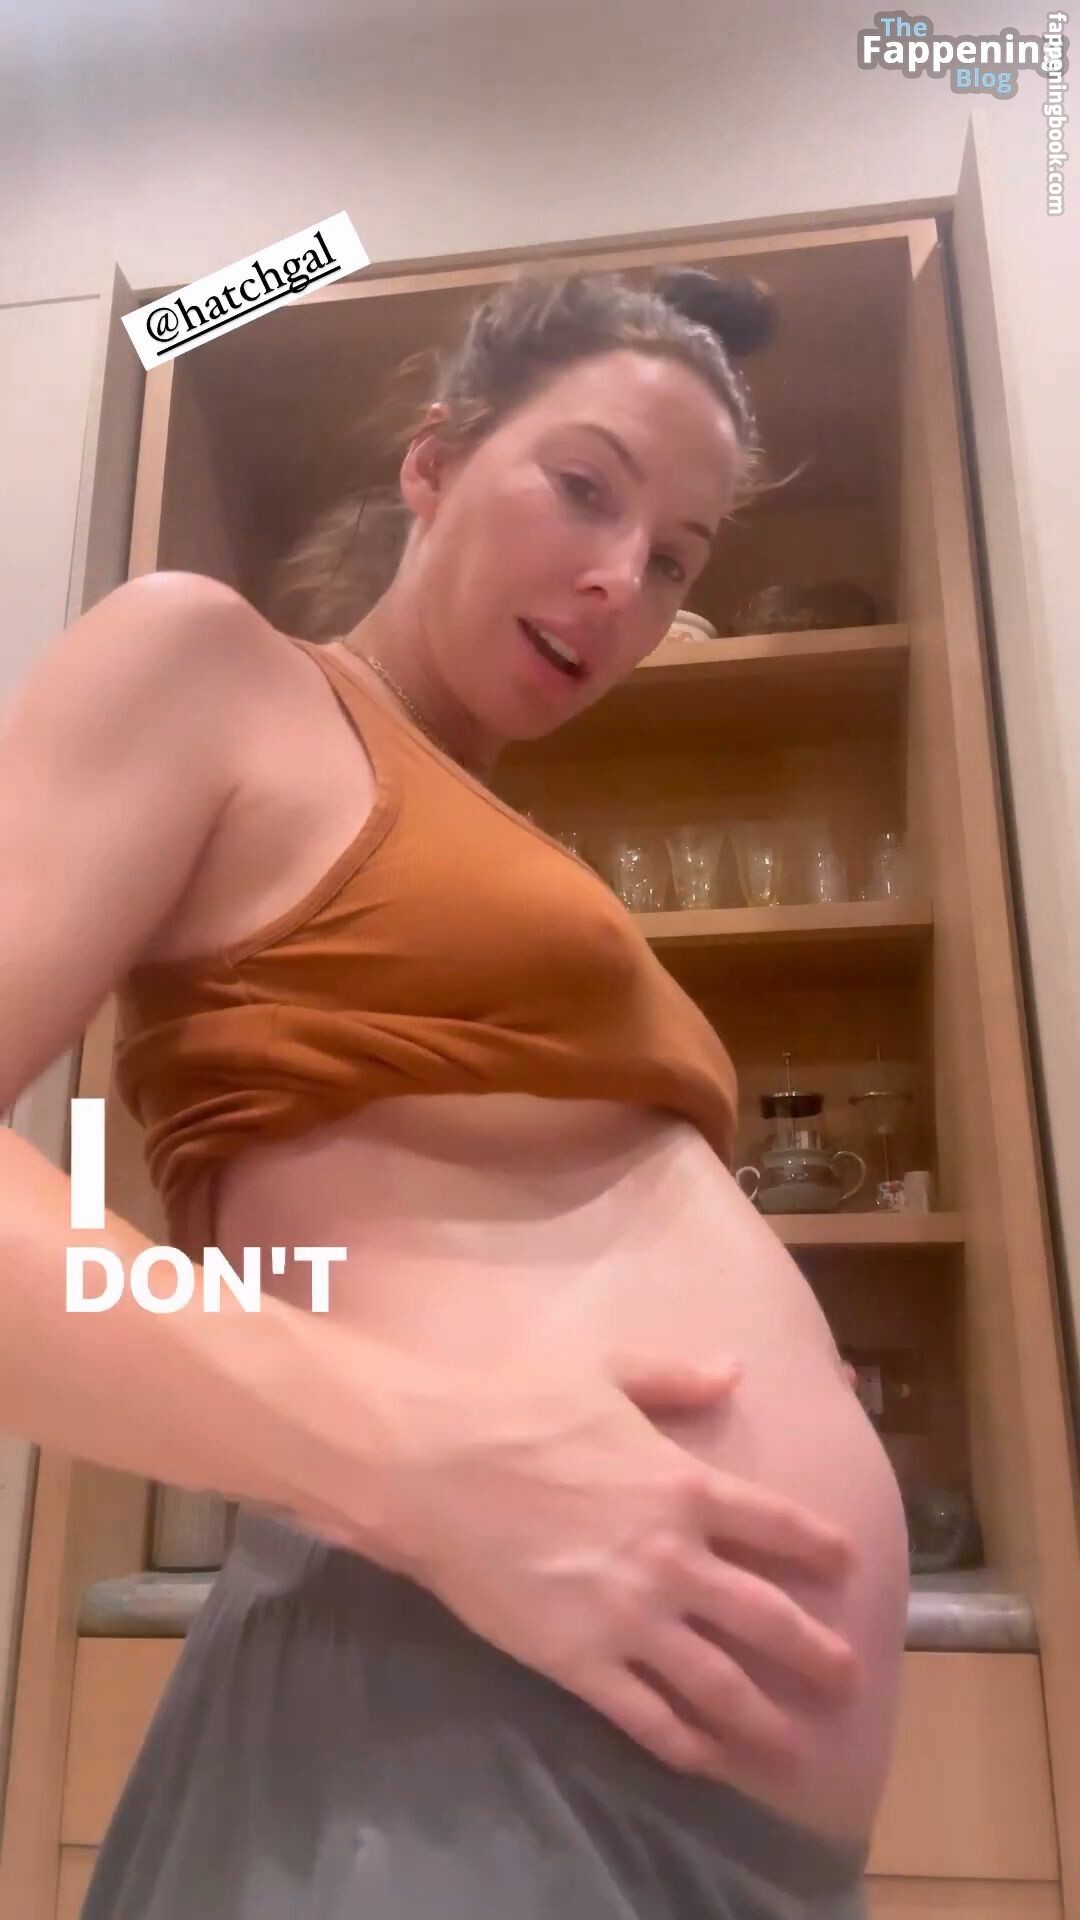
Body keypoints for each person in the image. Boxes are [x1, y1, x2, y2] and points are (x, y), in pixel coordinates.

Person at [0, 266, 910, 1918]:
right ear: (432, 462)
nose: (623, 580)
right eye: (584, 487)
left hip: (673, 1802)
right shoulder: (221, 668)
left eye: (679, 558)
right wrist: (421, 1459)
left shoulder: (493, 834)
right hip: (442, 1735)